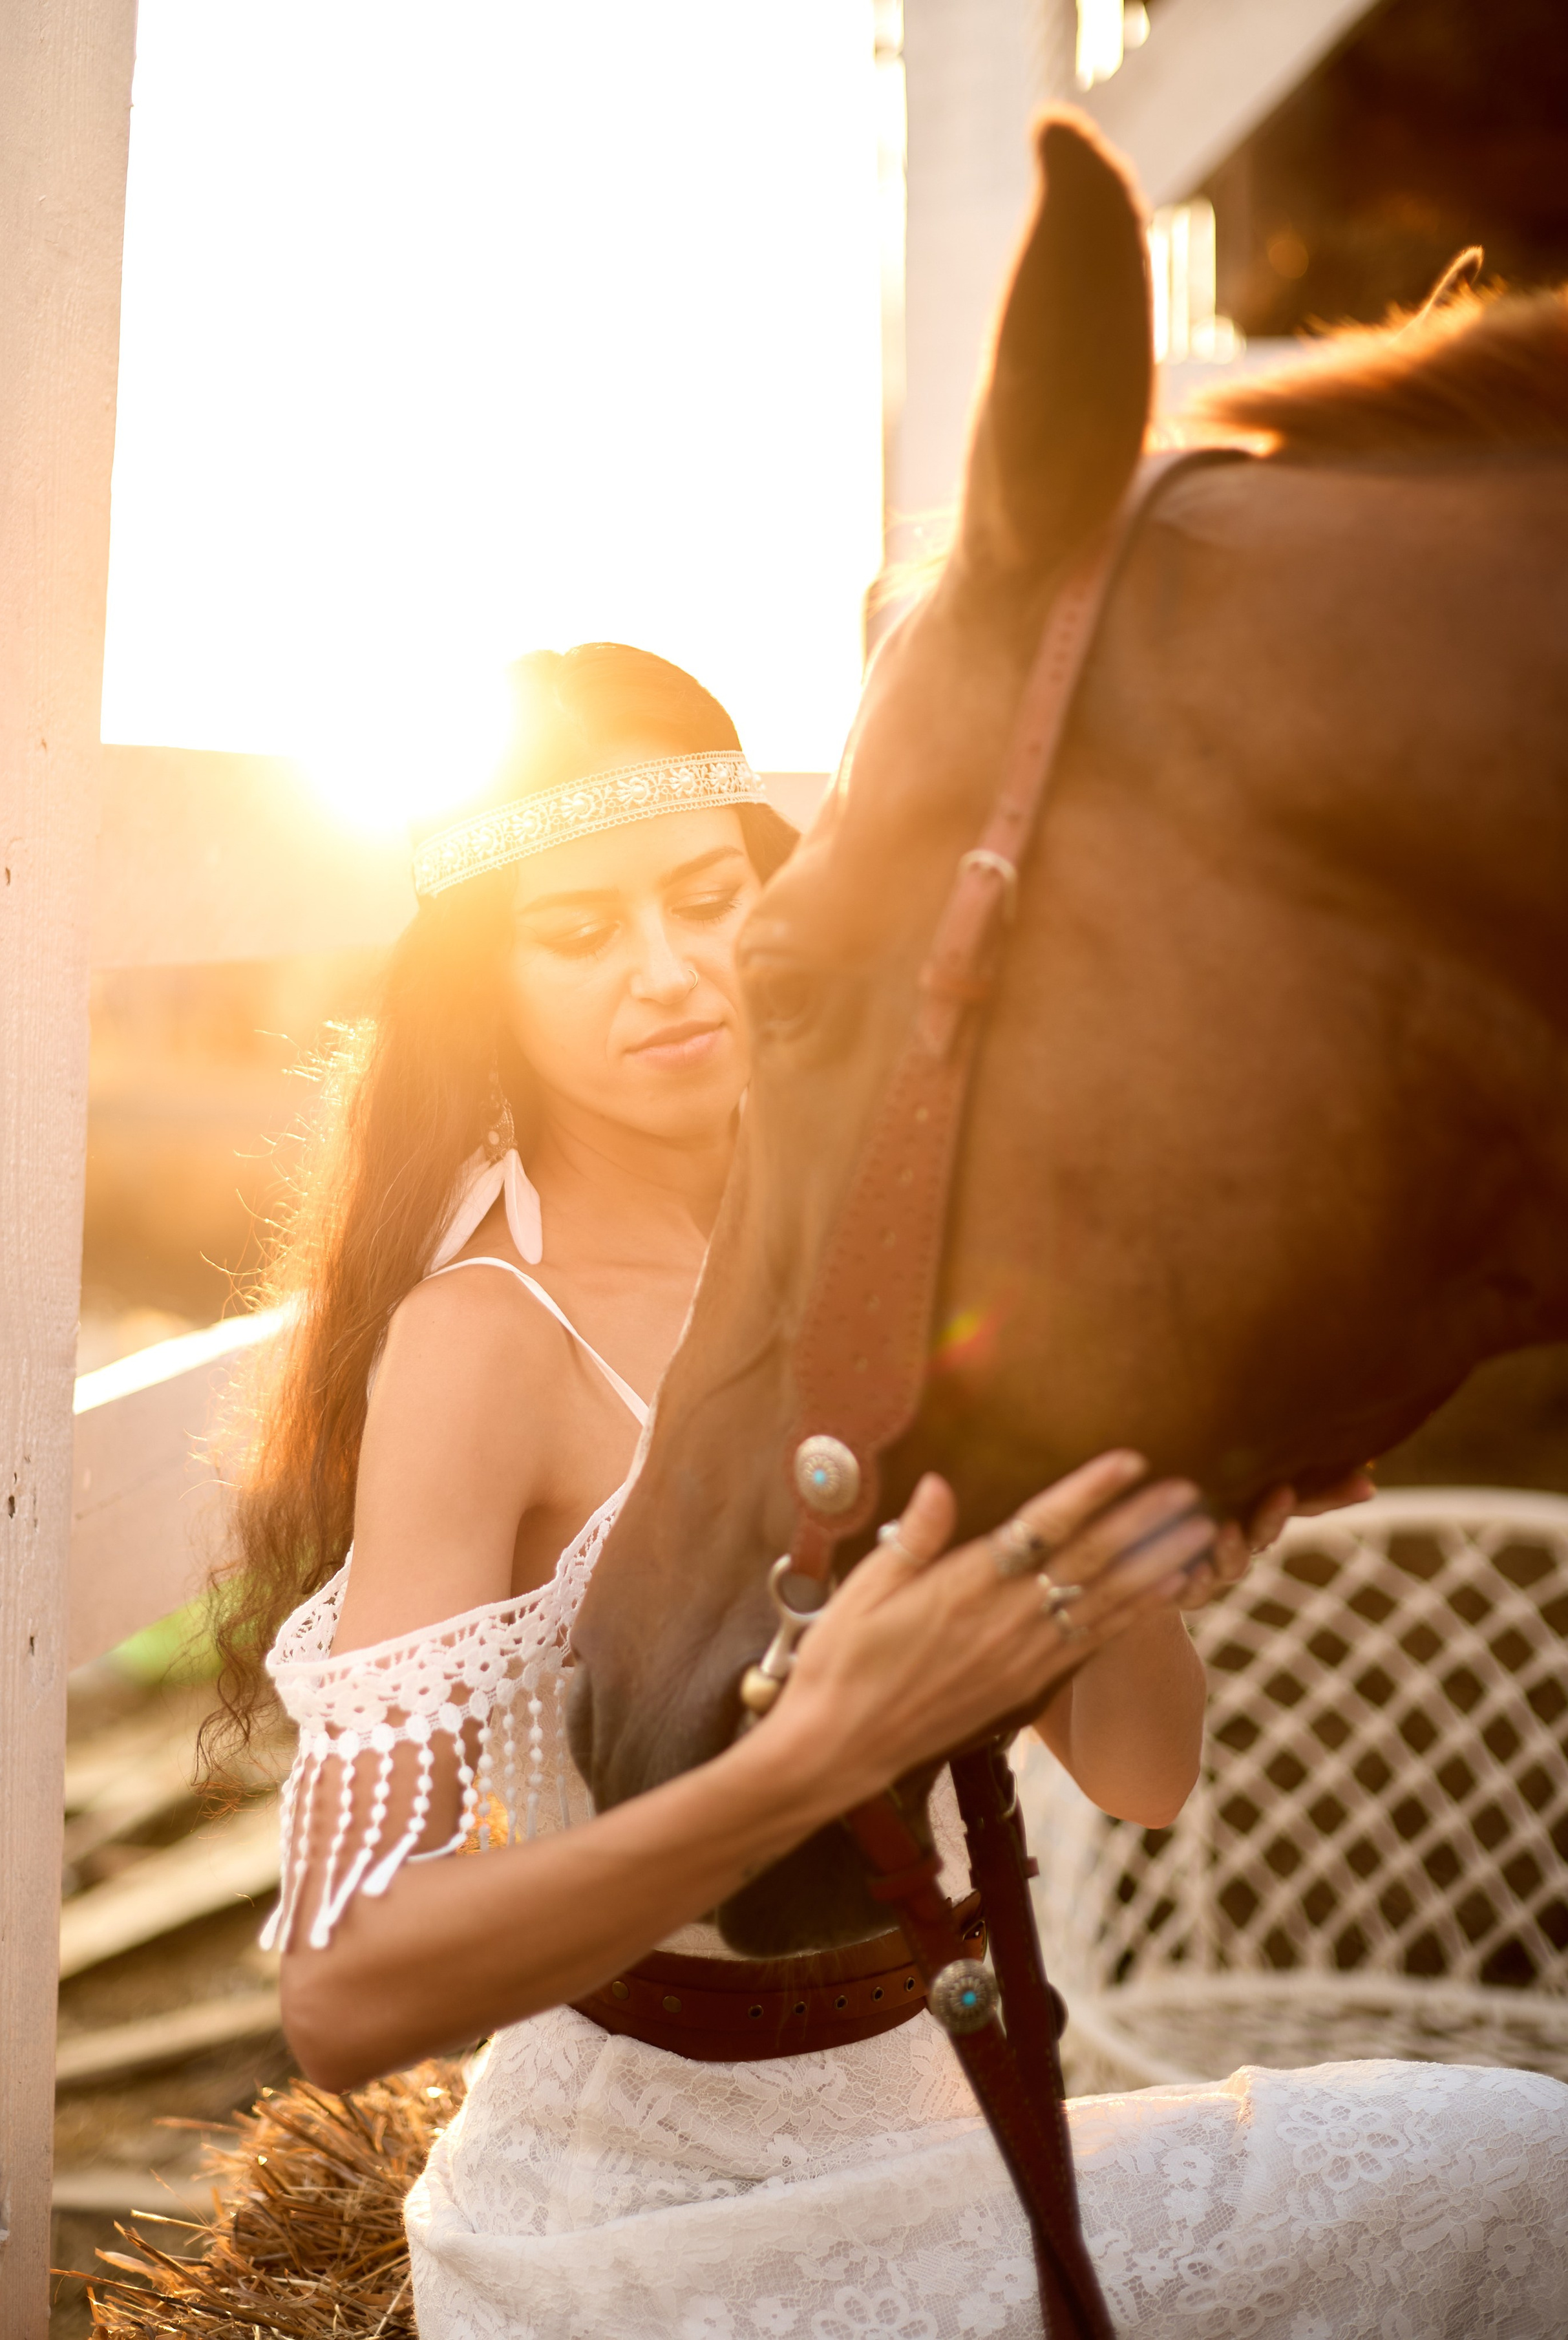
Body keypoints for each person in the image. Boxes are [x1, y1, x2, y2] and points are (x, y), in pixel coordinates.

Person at [216, 643, 1568, 2340]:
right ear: (486, 982)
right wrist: (817, 1755)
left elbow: (1143, 1774)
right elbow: (343, 2002)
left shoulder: (893, 1259)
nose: (667, 971)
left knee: (1526, 2172)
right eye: (578, 931)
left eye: (709, 897)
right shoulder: (487, 1343)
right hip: (638, 2212)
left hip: (944, 2118)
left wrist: (1122, 1526)